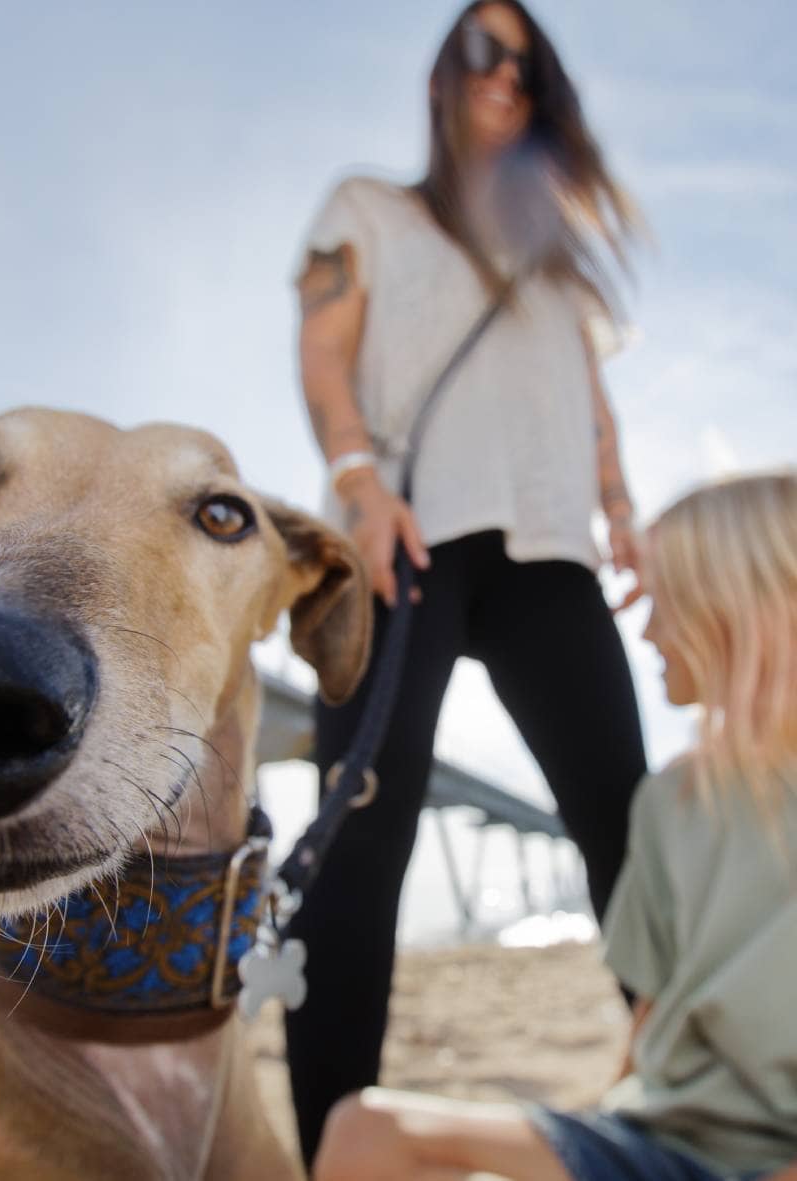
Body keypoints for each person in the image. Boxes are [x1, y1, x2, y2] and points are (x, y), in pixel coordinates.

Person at [286, 0, 647, 1164]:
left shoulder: (557, 267)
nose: (508, 76)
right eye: (486, 51)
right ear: (445, 74)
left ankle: (697, 1084)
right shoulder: (369, 211)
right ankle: (333, 1135)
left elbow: (593, 411)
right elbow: (322, 349)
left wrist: (625, 513)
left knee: (627, 830)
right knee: (359, 836)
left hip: (552, 552)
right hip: (411, 539)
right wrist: (354, 482)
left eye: (530, 63)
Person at [312, 470, 797, 1181]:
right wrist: (594, 1127)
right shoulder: (670, 800)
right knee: (364, 1131)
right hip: (659, 1144)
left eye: (664, 603)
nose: (650, 629)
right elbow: (651, 1016)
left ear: (729, 605)